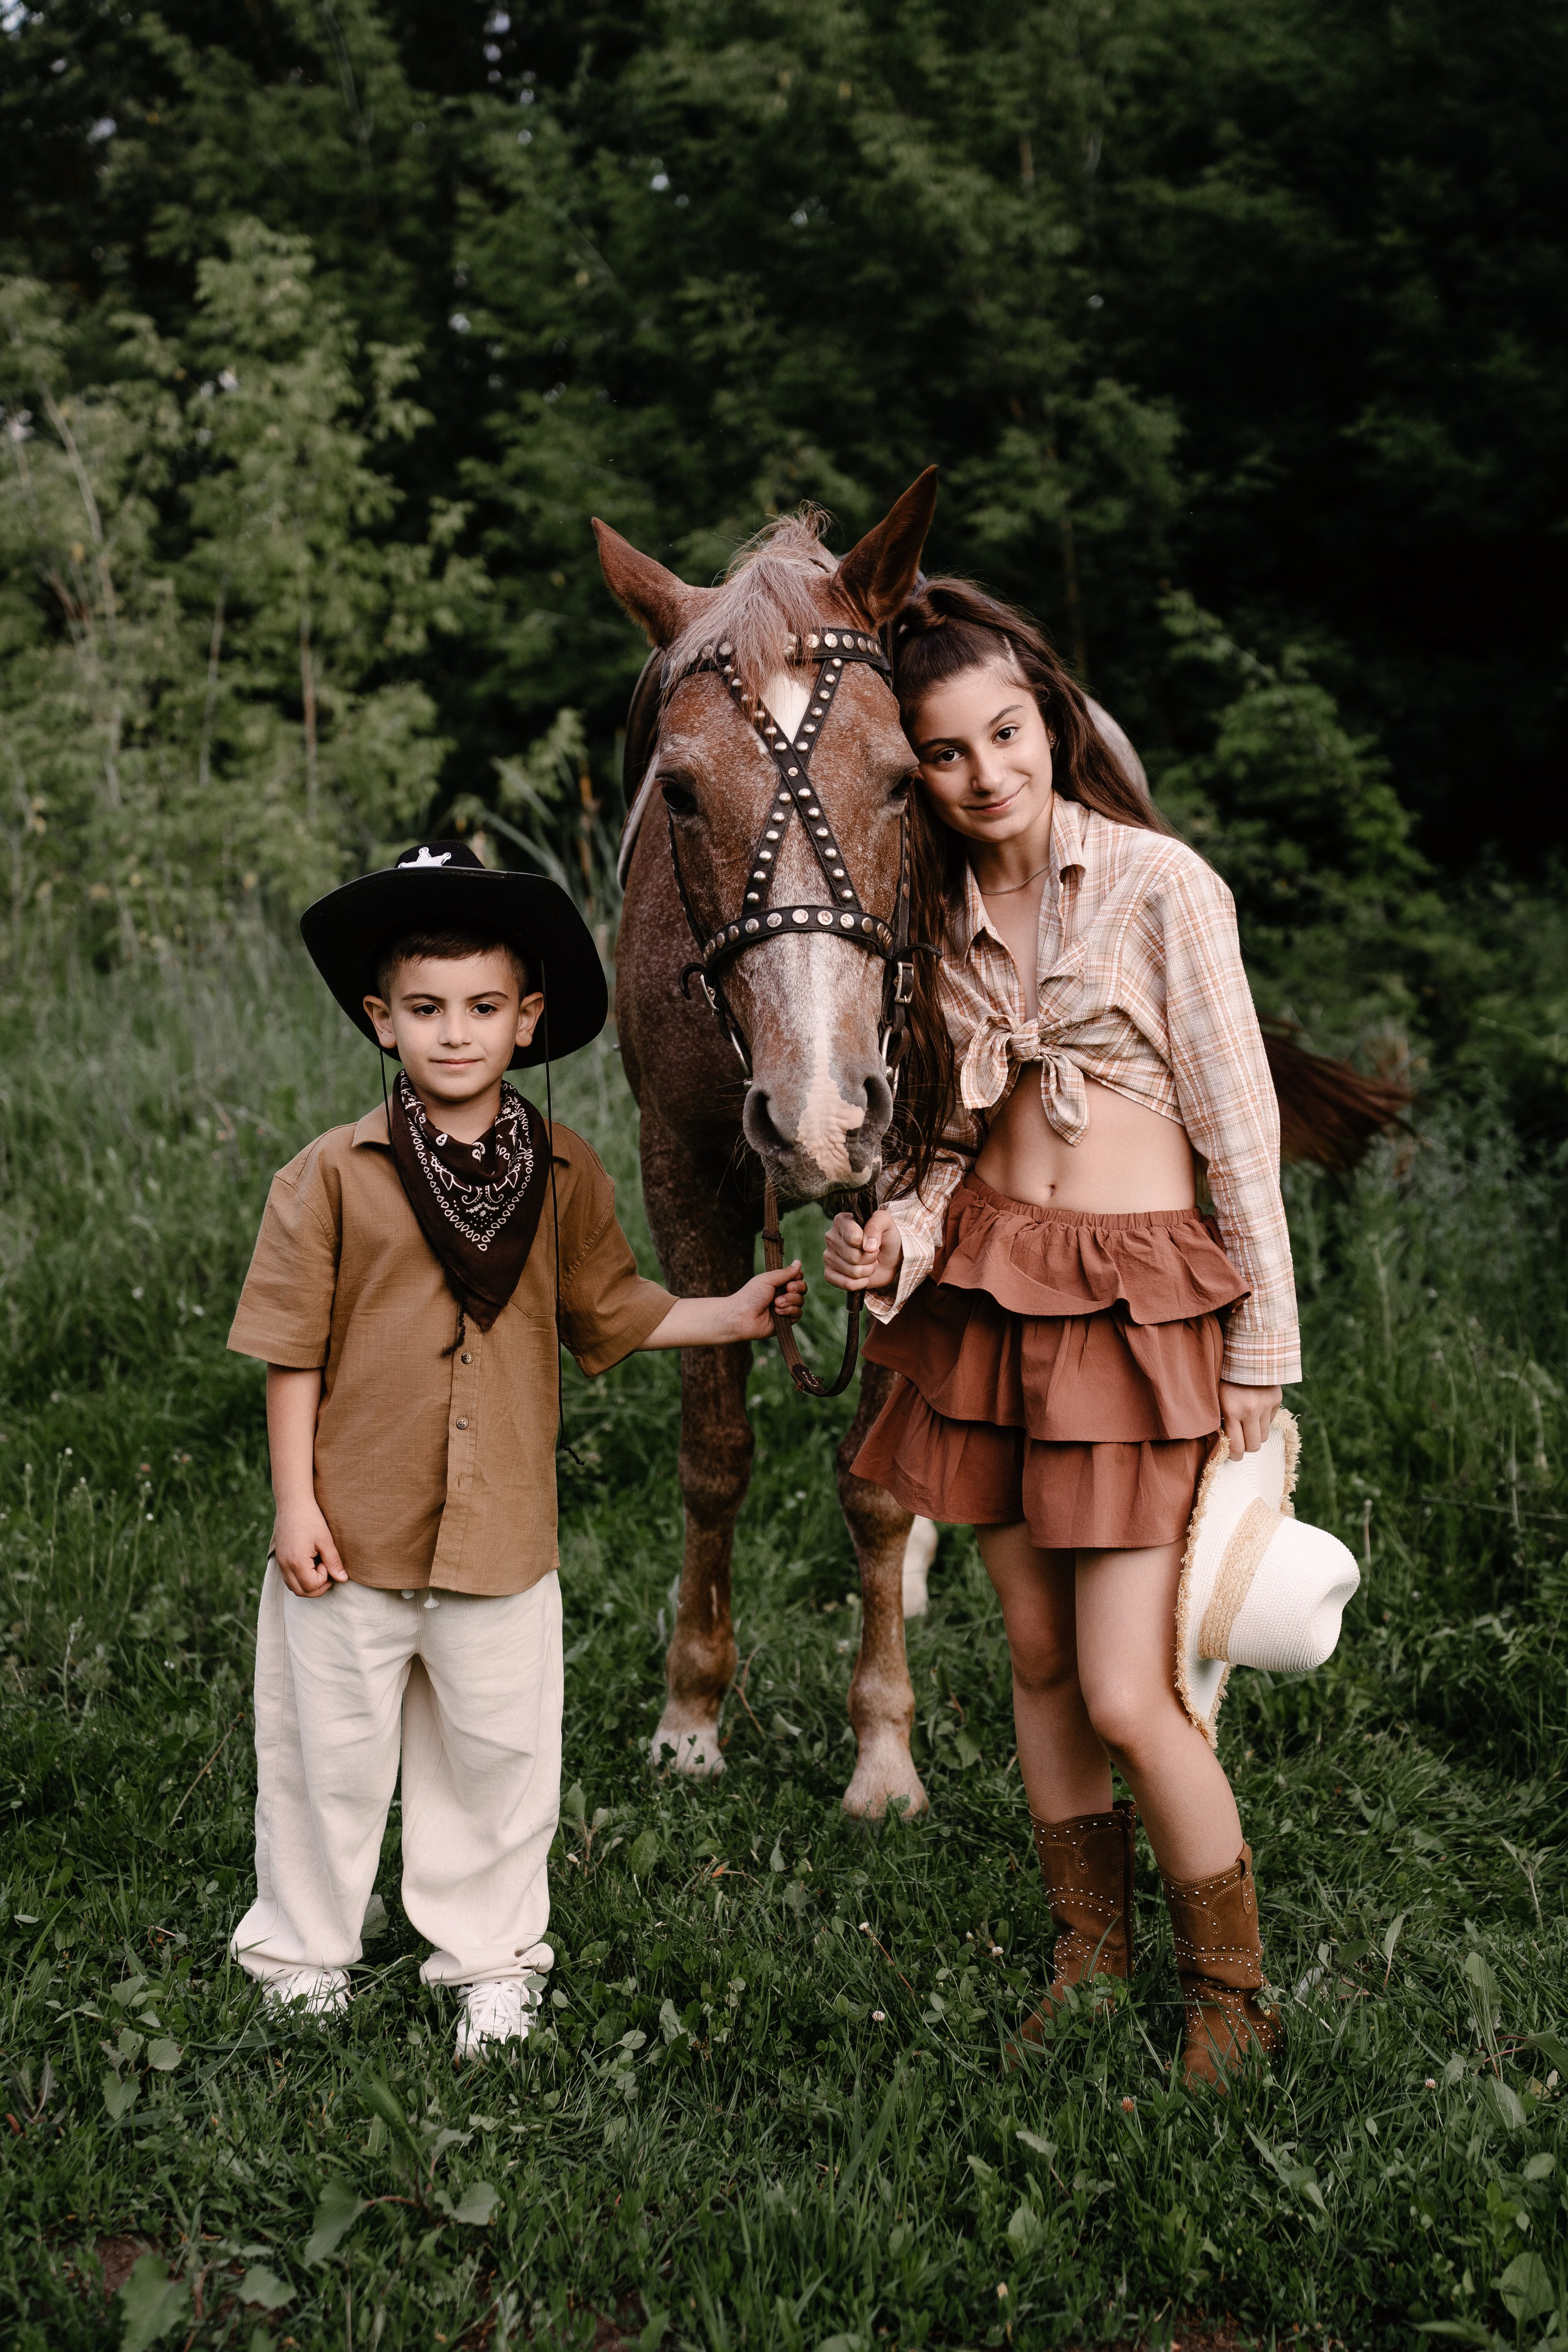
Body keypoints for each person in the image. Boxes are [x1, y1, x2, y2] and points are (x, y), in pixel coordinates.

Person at [226, 841, 804, 2062]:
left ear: (526, 1018)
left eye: (482, 1008)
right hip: (353, 1528)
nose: (454, 1034)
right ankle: (301, 1954)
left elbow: (615, 1310)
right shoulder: (331, 1176)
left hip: (500, 1536)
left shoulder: (560, 1171)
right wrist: (294, 1506)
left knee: (495, 1763)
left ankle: (488, 1959)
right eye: (425, 1011)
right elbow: (290, 1348)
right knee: (324, 1759)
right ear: (380, 1020)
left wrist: (735, 1310)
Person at [823, 584, 1291, 2086]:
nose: (985, 774)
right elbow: (956, 1147)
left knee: (1121, 1687)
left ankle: (1229, 1992)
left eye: (1004, 734)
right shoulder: (939, 917)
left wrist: (1258, 1352)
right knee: (1028, 1657)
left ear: (1046, 716)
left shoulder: (1158, 886)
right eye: (945, 755)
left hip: (1132, 1308)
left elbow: (1239, 1133)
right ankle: (1085, 1958)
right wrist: (893, 1233)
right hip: (986, 1293)